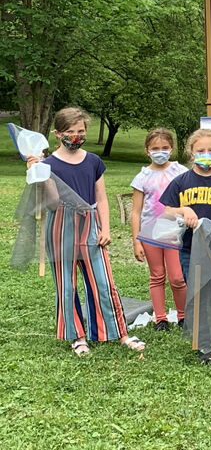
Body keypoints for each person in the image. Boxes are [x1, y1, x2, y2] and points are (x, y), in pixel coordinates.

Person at [26, 107, 145, 357]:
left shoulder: (93, 161)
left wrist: (105, 228)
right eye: (70, 131)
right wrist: (36, 173)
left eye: (80, 131)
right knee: (66, 285)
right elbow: (49, 202)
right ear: (57, 133)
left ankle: (119, 332)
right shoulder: (48, 164)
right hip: (61, 226)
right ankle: (77, 336)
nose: (76, 136)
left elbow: (101, 198)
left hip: (91, 226)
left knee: (104, 282)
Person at [160, 128, 211, 365]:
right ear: (191, 153)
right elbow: (165, 212)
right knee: (198, 299)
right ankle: (204, 345)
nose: (206, 154)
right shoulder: (182, 181)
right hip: (190, 252)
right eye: (201, 150)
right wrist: (183, 210)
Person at [130, 128, 188, 331]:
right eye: (155, 148)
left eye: (164, 147)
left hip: (175, 232)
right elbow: (136, 212)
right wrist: (136, 241)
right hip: (150, 234)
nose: (160, 151)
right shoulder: (142, 177)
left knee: (177, 278)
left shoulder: (181, 172)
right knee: (157, 276)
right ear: (147, 151)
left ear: (171, 149)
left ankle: (183, 315)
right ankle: (160, 318)